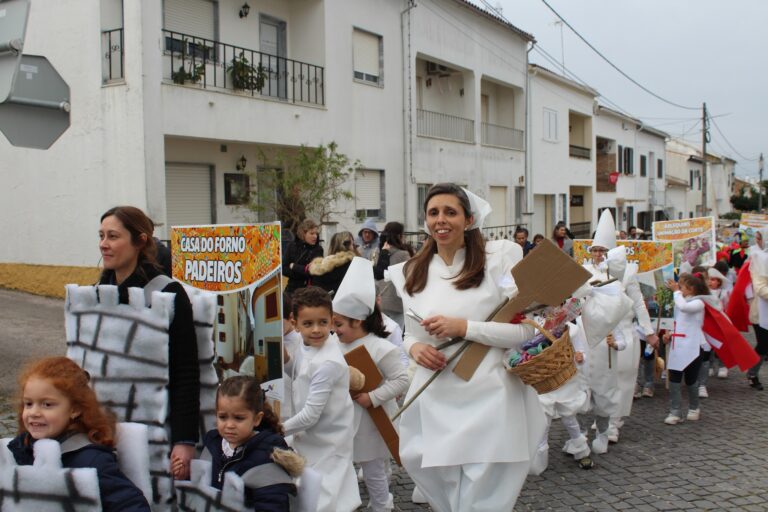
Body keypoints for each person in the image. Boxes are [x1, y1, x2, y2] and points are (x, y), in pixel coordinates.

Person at [388, 183, 546, 511]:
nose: (441, 220)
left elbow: (525, 332)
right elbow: (411, 333)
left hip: (492, 396)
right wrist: (416, 349)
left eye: (450, 212)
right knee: (438, 481)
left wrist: (465, 328)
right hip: (436, 396)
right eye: (433, 212)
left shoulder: (497, 263)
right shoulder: (412, 270)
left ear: (468, 218)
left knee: (486, 493)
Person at [98, 206, 199, 479]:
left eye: (113, 236)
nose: (103, 245)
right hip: (102, 432)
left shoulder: (168, 293)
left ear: (140, 241)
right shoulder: (96, 295)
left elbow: (186, 370)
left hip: (153, 432)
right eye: (101, 236)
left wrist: (184, 440)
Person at [8, 356, 150, 511]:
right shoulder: (19, 449)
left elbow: (131, 505)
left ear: (74, 409)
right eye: (28, 404)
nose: (34, 412)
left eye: (47, 404)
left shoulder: (92, 461)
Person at [333, 258, 409, 512]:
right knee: (347, 464)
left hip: (371, 420)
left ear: (358, 321)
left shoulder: (381, 348)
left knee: (372, 468)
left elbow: (402, 379)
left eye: (339, 324)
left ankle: (381, 505)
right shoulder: (334, 344)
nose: (335, 329)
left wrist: (373, 397)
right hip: (343, 417)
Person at [283, 286, 361, 512]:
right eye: (308, 324)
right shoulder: (303, 346)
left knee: (325, 501)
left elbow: (310, 415)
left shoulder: (328, 362)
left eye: (323, 323)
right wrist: (285, 359)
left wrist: (278, 429)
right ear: (294, 323)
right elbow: (298, 374)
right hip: (310, 440)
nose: (316, 330)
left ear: (332, 320)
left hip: (329, 441)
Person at [199, 375, 302, 511]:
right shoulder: (212, 445)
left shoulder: (267, 457)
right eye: (223, 417)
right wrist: (183, 473)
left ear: (257, 419)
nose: (229, 425)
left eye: (238, 418)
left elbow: (273, 505)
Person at [663, 273, 718, 424]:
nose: (679, 287)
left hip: (693, 345)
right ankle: (675, 411)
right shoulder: (679, 299)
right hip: (677, 344)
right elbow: (677, 321)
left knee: (691, 379)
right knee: (674, 378)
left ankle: (694, 407)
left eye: (682, 285)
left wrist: (675, 292)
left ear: (691, 288)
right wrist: (669, 334)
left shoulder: (699, 302)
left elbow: (684, 308)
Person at [374, 221, 414, 328]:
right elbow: (410, 276)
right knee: (396, 335)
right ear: (399, 235)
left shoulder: (379, 252)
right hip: (397, 303)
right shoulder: (403, 254)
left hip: (380, 301)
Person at [308, 231, 358, 296]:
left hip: (324, 302)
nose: (353, 246)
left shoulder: (321, 264)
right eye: (352, 243)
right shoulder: (351, 264)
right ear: (346, 246)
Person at [282, 219, 323, 293]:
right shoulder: (292, 246)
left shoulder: (318, 249)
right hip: (292, 290)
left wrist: (294, 266)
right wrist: (302, 272)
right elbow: (284, 269)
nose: (315, 236)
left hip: (310, 292)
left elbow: (313, 272)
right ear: (303, 234)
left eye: (316, 233)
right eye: (312, 233)